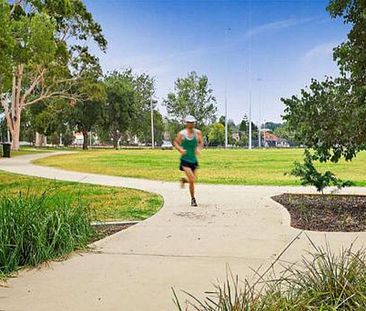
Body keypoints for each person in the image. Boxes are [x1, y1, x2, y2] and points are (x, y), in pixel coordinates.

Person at [173, 115, 204, 207]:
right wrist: (180, 150)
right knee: (192, 179)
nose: (191, 124)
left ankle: (184, 180)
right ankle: (193, 199)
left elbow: (201, 142)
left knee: (193, 181)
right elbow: (175, 142)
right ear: (186, 123)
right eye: (189, 122)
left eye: (192, 122)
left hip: (193, 160)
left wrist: (199, 148)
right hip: (185, 160)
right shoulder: (182, 134)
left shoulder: (198, 133)